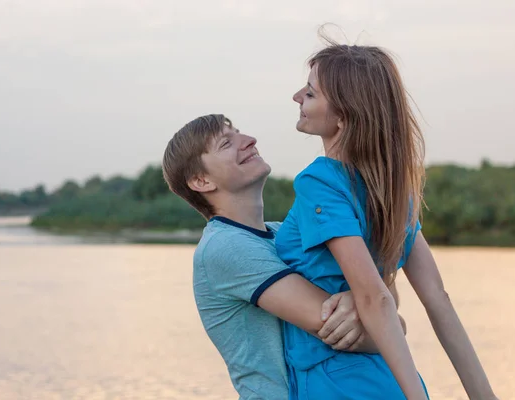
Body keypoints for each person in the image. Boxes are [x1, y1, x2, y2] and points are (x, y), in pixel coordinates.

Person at [276, 41, 498, 399]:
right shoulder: (394, 191)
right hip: (387, 381)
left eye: (311, 93)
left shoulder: (318, 181)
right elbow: (438, 300)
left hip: (337, 385)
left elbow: (375, 298)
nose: (296, 97)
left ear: (343, 117)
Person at [162, 114, 408, 399]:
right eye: (226, 143)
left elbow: (381, 309)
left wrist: (366, 302)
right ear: (201, 181)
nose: (249, 140)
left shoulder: (282, 236)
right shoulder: (225, 247)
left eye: (240, 132)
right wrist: (380, 313)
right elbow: (352, 325)